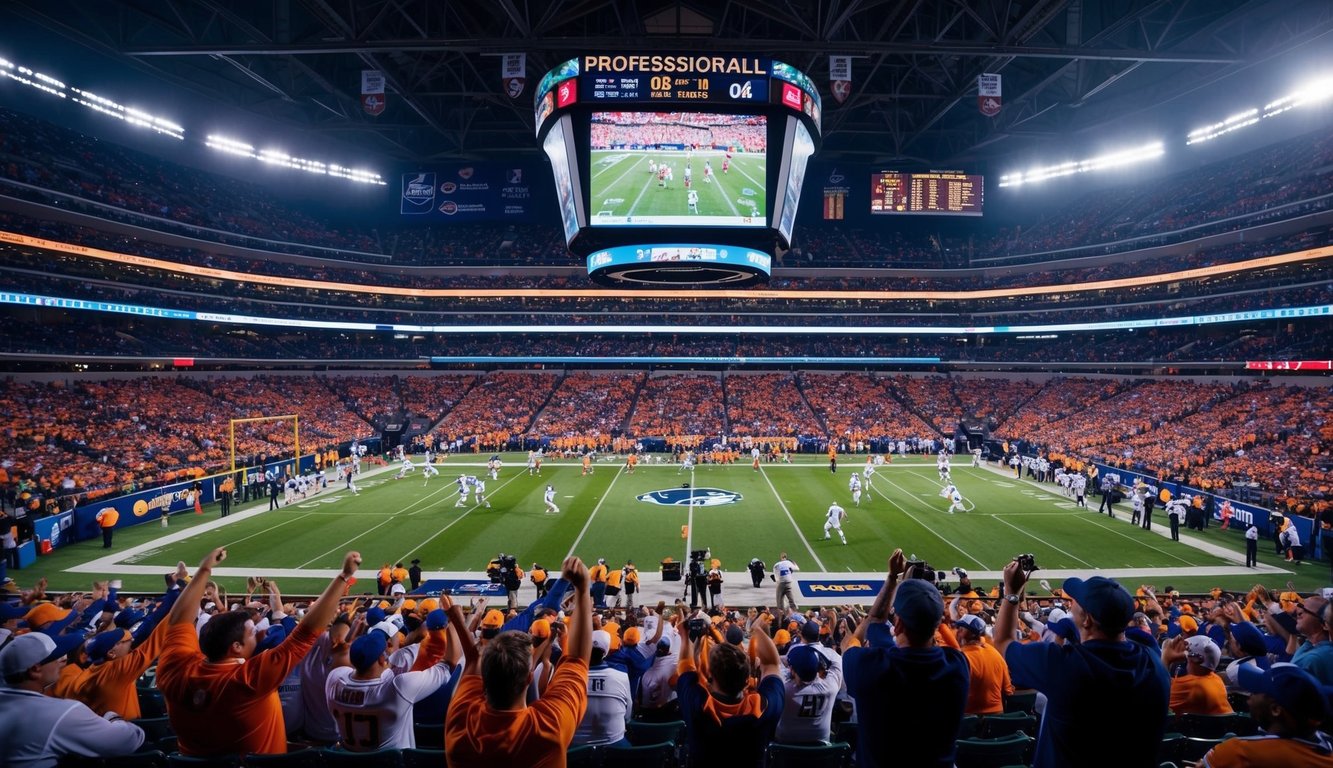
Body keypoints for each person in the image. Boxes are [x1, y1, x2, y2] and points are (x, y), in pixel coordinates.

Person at [156, 547, 362, 756]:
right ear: (235, 647)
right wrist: (344, 576)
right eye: (253, 633)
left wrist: (203, 571)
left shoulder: (174, 670)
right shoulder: (248, 679)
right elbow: (305, 634)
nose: (261, 635)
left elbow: (178, 620)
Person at [992, 564, 1170, 768]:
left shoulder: (1062, 664)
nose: (1071, 604)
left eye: (1076, 602)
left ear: (1087, 619)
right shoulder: (1154, 663)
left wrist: (1012, 593)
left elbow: (1003, 641)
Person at [445, 555, 592, 767]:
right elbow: (577, 659)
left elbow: (472, 664)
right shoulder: (550, 726)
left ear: (484, 678)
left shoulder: (460, 721)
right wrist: (583, 589)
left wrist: (459, 621)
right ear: (528, 677)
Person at [841, 550, 969, 767]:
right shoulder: (957, 665)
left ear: (898, 624)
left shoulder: (872, 666)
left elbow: (856, 637)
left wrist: (893, 579)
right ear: (938, 623)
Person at [0, 632, 146, 768]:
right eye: (55, 657)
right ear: (35, 670)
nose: (63, 659)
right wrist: (113, 718)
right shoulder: (58, 713)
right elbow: (128, 740)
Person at [325, 607, 458, 750]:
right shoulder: (397, 688)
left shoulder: (334, 679)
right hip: (393, 762)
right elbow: (450, 663)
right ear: (382, 659)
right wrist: (454, 618)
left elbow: (341, 660)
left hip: (346, 759)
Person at [677, 612, 783, 768]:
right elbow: (772, 664)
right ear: (748, 681)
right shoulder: (762, 708)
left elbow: (685, 665)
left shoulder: (698, 704)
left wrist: (686, 636)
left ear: (710, 677)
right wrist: (757, 629)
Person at [1199, 663, 1332, 767]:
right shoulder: (1326, 747)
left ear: (1275, 709)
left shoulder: (1239, 752)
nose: (1249, 696)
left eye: (1256, 690)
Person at [572, 630, 632, 747]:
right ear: (607, 651)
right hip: (614, 746)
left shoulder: (570, 678)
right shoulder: (622, 677)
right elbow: (628, 715)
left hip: (576, 750)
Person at [775, 642, 843, 745]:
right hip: (821, 755)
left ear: (792, 671)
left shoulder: (784, 688)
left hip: (785, 752)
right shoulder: (830, 688)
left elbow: (773, 662)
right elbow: (837, 659)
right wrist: (819, 648)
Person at [953, 614, 1013, 715]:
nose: (957, 632)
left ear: (971, 635)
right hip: (998, 717)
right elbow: (1008, 690)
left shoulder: (961, 658)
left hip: (969, 718)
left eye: (961, 629)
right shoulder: (995, 653)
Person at [1162, 635, 1232, 715]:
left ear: (1196, 659)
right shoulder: (1216, 679)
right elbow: (1172, 684)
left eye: (1187, 650)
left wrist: (1165, 659)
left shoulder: (1190, 686)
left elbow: (1157, 701)